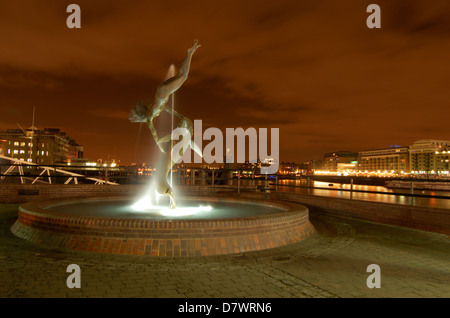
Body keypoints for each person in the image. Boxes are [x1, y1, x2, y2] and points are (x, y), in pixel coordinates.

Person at [129, 40, 202, 208]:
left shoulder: (148, 116)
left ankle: (190, 53)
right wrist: (169, 112)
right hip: (162, 93)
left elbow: (154, 132)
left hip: (163, 94)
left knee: (183, 76)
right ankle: (190, 53)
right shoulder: (148, 110)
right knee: (183, 76)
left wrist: (160, 145)